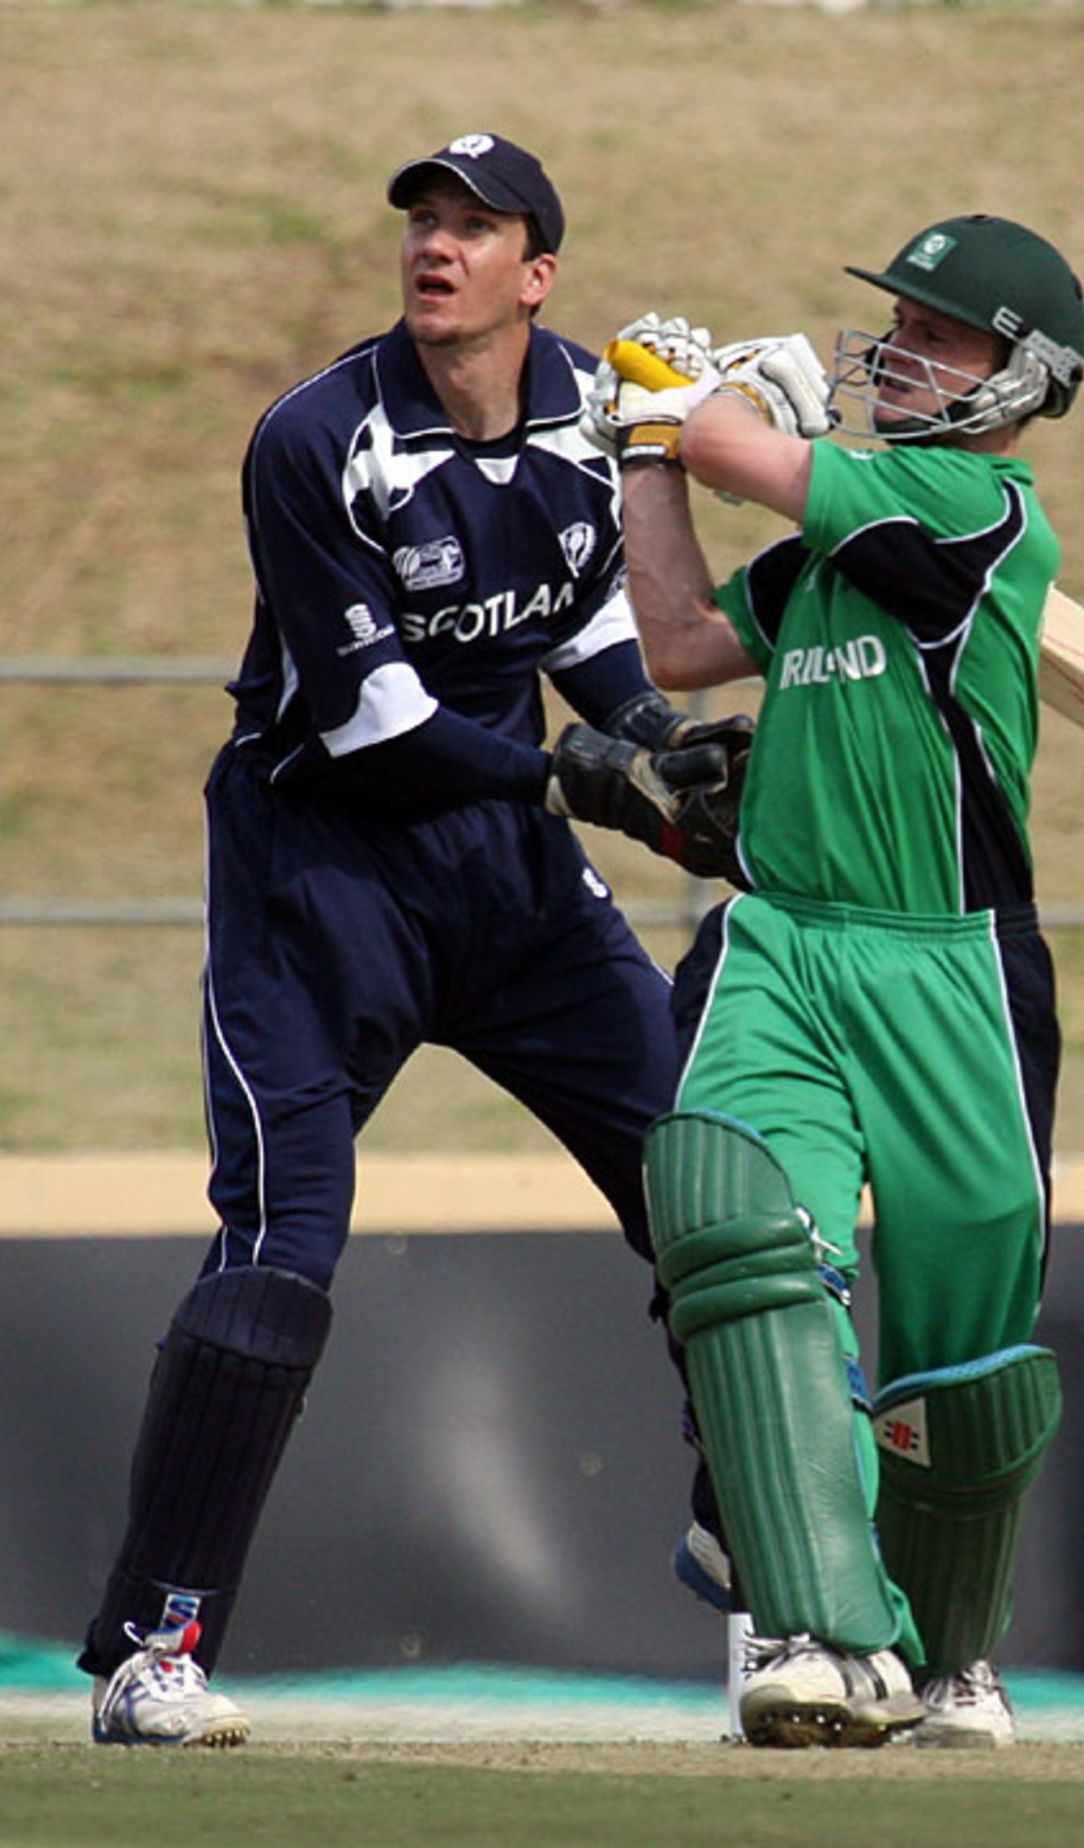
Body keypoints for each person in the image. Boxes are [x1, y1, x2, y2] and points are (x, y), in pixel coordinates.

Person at [79, 132, 748, 1747]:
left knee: (716, 1202)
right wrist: (576, 773)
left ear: (540, 274)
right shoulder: (317, 436)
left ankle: (779, 1605)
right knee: (281, 1245)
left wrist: (664, 740)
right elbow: (375, 721)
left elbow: (581, 625)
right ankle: (152, 1651)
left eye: (475, 227)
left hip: (506, 880)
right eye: (421, 225)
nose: (435, 248)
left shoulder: (593, 411)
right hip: (320, 880)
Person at [584, 214, 1084, 1748]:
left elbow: (764, 460)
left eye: (947, 336)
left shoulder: (974, 512)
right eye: (904, 325)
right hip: (789, 940)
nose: (905, 352)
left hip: (954, 962)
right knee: (750, 1248)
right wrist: (645, 457)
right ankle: (816, 1629)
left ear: (1025, 381)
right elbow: (670, 641)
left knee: (967, 1354)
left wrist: (686, 406)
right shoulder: (829, 550)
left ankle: (955, 1656)